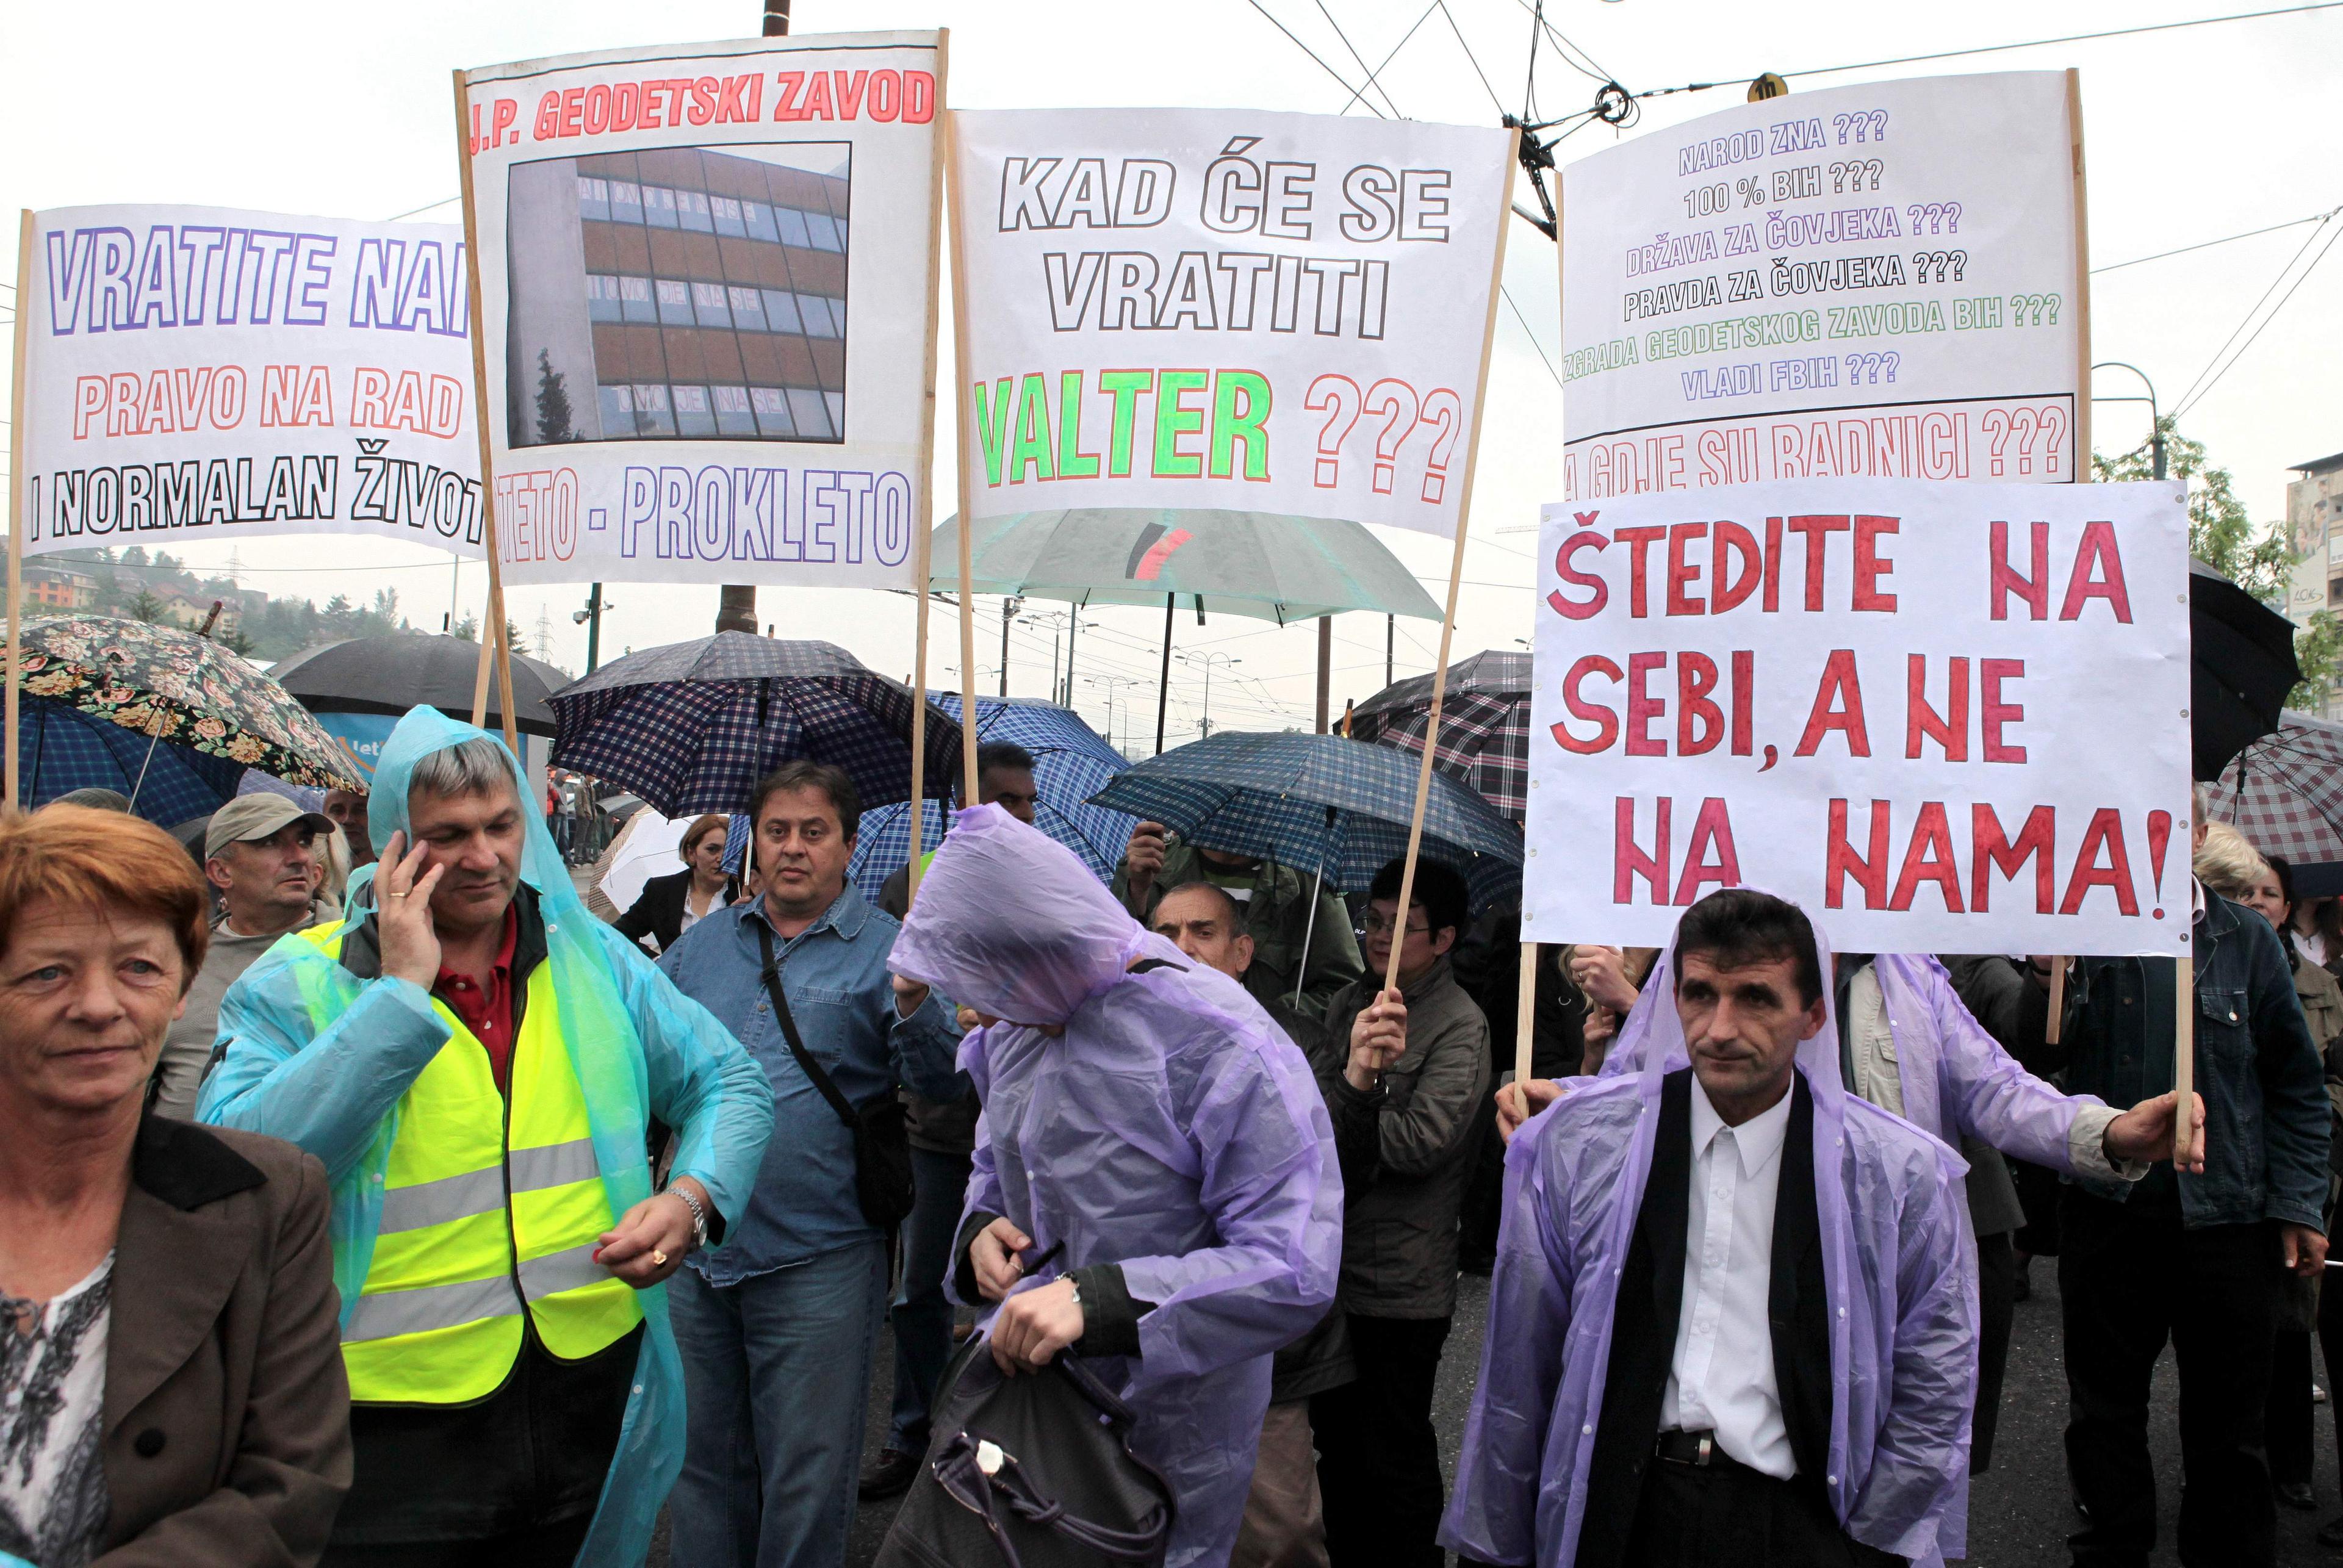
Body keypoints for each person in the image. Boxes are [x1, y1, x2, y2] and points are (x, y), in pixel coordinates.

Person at [198, 707, 774, 1566]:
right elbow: (241, 1166)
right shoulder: (300, 981)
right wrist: (399, 996)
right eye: (449, 834)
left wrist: (692, 1197)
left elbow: (730, 1082)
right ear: (393, 845)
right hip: (385, 1427)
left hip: (584, 1393)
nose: (483, 855)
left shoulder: (594, 961)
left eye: (502, 825)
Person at [1445, 888, 1976, 1567]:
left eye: (1755, 997)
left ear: (1813, 1015)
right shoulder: (1590, 1150)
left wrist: (1873, 1545)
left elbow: (1936, 1378)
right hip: (1625, 1512)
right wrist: (1501, 1544)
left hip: (1797, 1523)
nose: (1719, 1027)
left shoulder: (1894, 1175)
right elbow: (1523, 1365)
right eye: (1700, 993)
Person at [890, 804, 1341, 1568]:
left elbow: (1294, 1263)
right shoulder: (1017, 1031)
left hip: (1178, 1419)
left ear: (1043, 947)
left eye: (989, 978)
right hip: (1032, 1399)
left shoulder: (1224, 1042)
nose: (982, 1008)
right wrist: (979, 1233)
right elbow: (997, 1165)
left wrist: (1103, 1301)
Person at [1, 805, 351, 1566]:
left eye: (140, 967)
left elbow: (288, 1486)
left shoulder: (266, 1198)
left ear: (183, 988)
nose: (99, 1005)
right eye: (48, 970)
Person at [655, 760, 962, 1568]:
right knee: (702, 1464)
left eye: (814, 832)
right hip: (698, 1252)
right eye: (778, 831)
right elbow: (643, 1057)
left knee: (806, 1476)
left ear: (850, 846)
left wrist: (918, 1000)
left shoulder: (893, 952)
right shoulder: (705, 947)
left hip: (820, 1254)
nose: (792, 848)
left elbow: (943, 1082)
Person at [2058, 791, 2330, 1568]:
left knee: (2229, 1439)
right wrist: (2051, 972)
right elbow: (2026, 1057)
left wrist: (2299, 1206)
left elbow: (2297, 1087)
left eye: (2168, 813)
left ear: (2200, 832)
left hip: (2229, 1224)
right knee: (2103, 1419)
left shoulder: (2246, 939)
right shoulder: (2080, 931)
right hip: (2110, 1215)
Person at [1151, 880, 1350, 1568]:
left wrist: (1355, 1084)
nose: (1182, 948)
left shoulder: (1296, 1043)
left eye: (1202, 932)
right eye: (1167, 931)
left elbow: (1318, 1189)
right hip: (1148, 1327)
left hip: (1260, 1346)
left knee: (1276, 1536)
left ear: (1242, 951)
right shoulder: (1119, 1041)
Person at [861, 741, 1037, 1503]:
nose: (1021, 813)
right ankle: (911, 1432)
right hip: (939, 1124)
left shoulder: (1049, 880)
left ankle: (997, 1444)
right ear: (963, 805)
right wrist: (935, 1005)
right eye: (1004, 799)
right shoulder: (918, 875)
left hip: (1024, 1125)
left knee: (1019, 1288)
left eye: (1029, 800)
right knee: (922, 1290)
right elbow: (893, 984)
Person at [1311, 857, 1491, 1567]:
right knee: (1336, 1449)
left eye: (1401, 927)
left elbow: (1422, 1143)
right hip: (1330, 1262)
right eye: (1374, 921)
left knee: (1396, 1455)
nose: (1380, 938)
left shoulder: (1459, 1025)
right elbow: (1309, 1107)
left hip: (1402, 1279)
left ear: (1443, 938)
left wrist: (1359, 1096)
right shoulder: (1348, 1002)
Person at [2199, 825, 2341, 1515]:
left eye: (2263, 893)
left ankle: (2287, 1470)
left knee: (2269, 1362)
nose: (2250, 904)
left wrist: (2300, 1198)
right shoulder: (2138, 949)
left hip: (2259, 1192)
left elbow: (2306, 1086)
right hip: (2169, 1198)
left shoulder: (2283, 968)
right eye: (2235, 892)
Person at [150, 794, 338, 1121]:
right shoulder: (179, 960)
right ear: (221, 872)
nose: (298, 858)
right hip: (183, 1166)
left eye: (304, 842)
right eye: (270, 843)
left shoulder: (354, 945)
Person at [1112, 821, 1363, 1017]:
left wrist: (1265, 1020)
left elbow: (1346, 991)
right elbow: (1109, 969)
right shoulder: (1150, 865)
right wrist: (1138, 892)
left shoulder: (1307, 884)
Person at [613, 813, 737, 957]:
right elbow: (619, 933)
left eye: (729, 850)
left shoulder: (744, 893)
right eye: (712, 849)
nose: (721, 858)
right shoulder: (662, 891)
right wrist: (657, 963)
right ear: (691, 853)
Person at [324, 786, 376, 869]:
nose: (348, 820)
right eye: (338, 811)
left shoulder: (395, 876)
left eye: (359, 811)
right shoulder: (310, 878)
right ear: (324, 816)